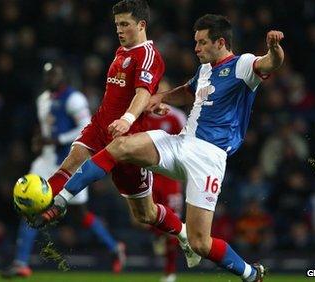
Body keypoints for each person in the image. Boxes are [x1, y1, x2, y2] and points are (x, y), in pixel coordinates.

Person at [36, 14, 285, 282]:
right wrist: (161, 98)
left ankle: (251, 274)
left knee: (201, 243)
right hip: (182, 143)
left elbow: (271, 62)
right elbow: (187, 92)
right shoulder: (204, 70)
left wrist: (273, 47)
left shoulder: (243, 65)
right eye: (195, 42)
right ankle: (61, 200)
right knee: (120, 146)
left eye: (202, 43)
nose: (196, 48)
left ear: (220, 42)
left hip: (209, 157)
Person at [28, 0, 201, 269]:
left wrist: (129, 118)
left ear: (141, 25)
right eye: (117, 24)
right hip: (100, 127)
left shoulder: (149, 55)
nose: (119, 30)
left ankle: (183, 233)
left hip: (129, 139)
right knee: (69, 164)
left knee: (145, 214)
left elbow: (143, 92)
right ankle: (40, 202)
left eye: (125, 24)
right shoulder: (122, 51)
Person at [0, 62, 125, 278]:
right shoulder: (42, 100)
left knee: (80, 214)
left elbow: (86, 128)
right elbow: (47, 126)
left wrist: (57, 139)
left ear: (64, 77)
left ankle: (115, 248)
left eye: (55, 74)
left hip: (70, 162)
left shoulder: (75, 99)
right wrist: (40, 140)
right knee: (30, 205)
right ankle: (20, 262)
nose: (50, 78)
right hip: (45, 161)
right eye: (47, 75)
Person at [143, 104, 186, 282]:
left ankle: (170, 272)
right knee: (147, 218)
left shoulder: (176, 117)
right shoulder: (142, 115)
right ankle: (157, 237)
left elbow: (187, 145)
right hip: (149, 175)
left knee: (173, 227)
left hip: (170, 178)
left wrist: (184, 176)